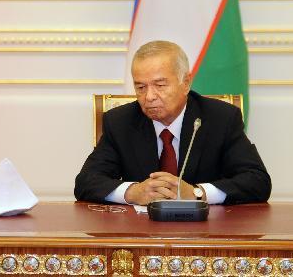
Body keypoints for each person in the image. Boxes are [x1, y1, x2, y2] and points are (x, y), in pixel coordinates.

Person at [75, 40, 271, 205]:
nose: (149, 96)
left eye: (160, 85)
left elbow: (257, 181)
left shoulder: (221, 118)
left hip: (206, 236)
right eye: (141, 87)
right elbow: (85, 182)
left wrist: (197, 193)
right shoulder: (120, 122)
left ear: (185, 83)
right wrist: (133, 192)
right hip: (141, 235)